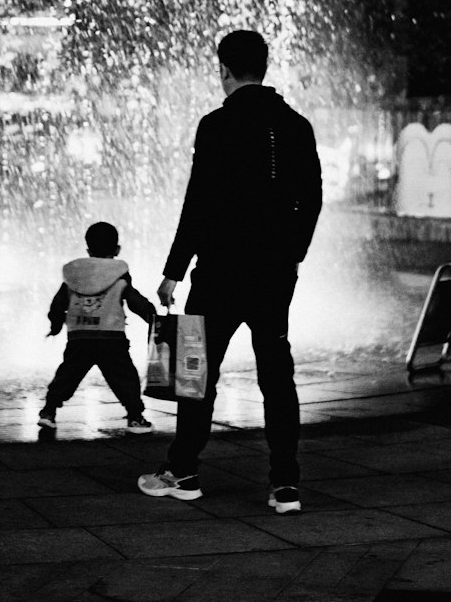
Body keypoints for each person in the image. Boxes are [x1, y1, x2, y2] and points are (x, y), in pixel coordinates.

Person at [138, 28, 322, 512]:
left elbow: (199, 201)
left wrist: (174, 269)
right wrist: (293, 253)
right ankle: (285, 485)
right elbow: (313, 199)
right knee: (277, 377)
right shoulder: (297, 125)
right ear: (263, 67)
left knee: (195, 373)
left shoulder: (216, 125)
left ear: (223, 70)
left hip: (219, 272)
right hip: (274, 274)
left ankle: (185, 471)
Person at [40, 220, 157, 435]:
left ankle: (48, 412)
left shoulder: (74, 276)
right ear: (117, 249)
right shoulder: (119, 274)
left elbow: (58, 303)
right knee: (124, 378)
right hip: (111, 337)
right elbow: (133, 300)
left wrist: (56, 324)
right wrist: (153, 317)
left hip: (80, 336)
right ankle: (135, 417)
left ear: (88, 250)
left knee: (67, 375)